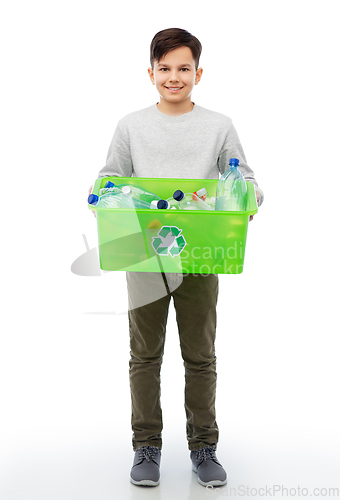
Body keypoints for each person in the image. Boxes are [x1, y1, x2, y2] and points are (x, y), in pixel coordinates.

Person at [89, 28, 263, 488]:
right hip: (145, 256)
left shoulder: (219, 125)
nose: (174, 77)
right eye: (164, 68)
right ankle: (146, 446)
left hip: (203, 253)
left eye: (183, 68)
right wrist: (101, 195)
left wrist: (249, 198)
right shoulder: (131, 125)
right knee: (144, 355)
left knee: (200, 356)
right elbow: (110, 179)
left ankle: (203, 447)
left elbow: (243, 178)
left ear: (198, 73)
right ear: (150, 73)